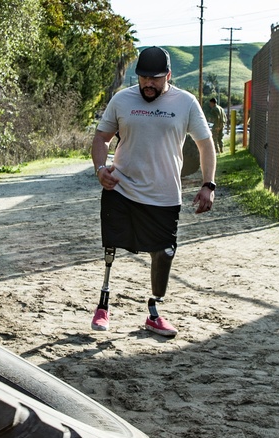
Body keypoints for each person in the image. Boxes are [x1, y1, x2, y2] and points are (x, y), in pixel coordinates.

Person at [89, 46, 216, 338]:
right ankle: (103, 304)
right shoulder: (122, 99)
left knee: (165, 251)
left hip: (164, 194)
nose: (148, 84)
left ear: (168, 76)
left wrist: (208, 184)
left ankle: (155, 310)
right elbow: (101, 138)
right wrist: (100, 169)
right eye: (144, 77)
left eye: (155, 79)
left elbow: (205, 145)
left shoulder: (185, 102)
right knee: (112, 242)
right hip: (121, 187)